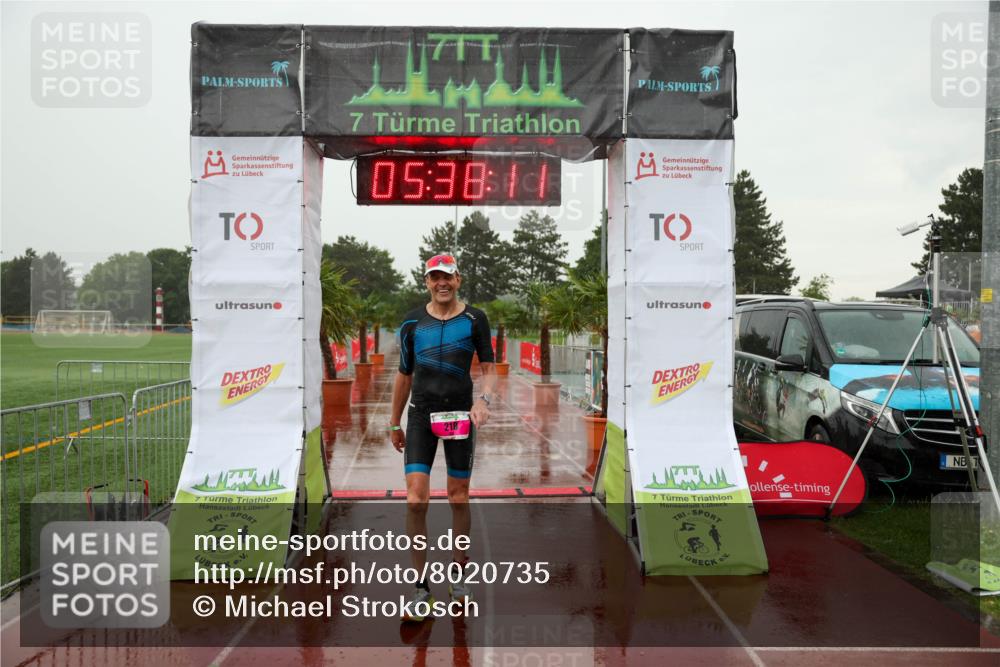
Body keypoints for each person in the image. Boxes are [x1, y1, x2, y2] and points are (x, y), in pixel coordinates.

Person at [389, 253, 497, 621]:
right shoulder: (411, 323)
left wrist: (483, 400)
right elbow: (404, 375)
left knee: (458, 497)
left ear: (458, 279)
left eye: (447, 276)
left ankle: (459, 573)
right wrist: (393, 421)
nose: (442, 283)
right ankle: (420, 587)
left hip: (459, 416)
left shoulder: (474, 319)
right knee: (416, 500)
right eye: (435, 277)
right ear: (426, 282)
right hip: (420, 416)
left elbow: (489, 367)